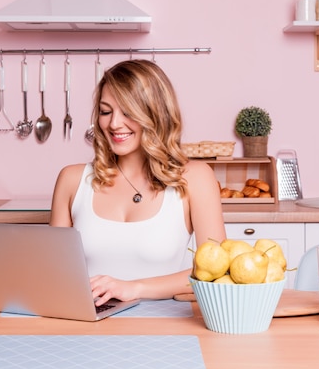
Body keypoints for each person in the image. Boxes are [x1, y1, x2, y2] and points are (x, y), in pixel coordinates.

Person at [50, 59, 226, 306]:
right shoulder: (72, 180)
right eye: (106, 111)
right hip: (86, 324)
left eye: (128, 112)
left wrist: (135, 288)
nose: (114, 124)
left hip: (162, 326)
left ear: (156, 113)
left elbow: (218, 272)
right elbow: (53, 272)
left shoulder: (195, 178)